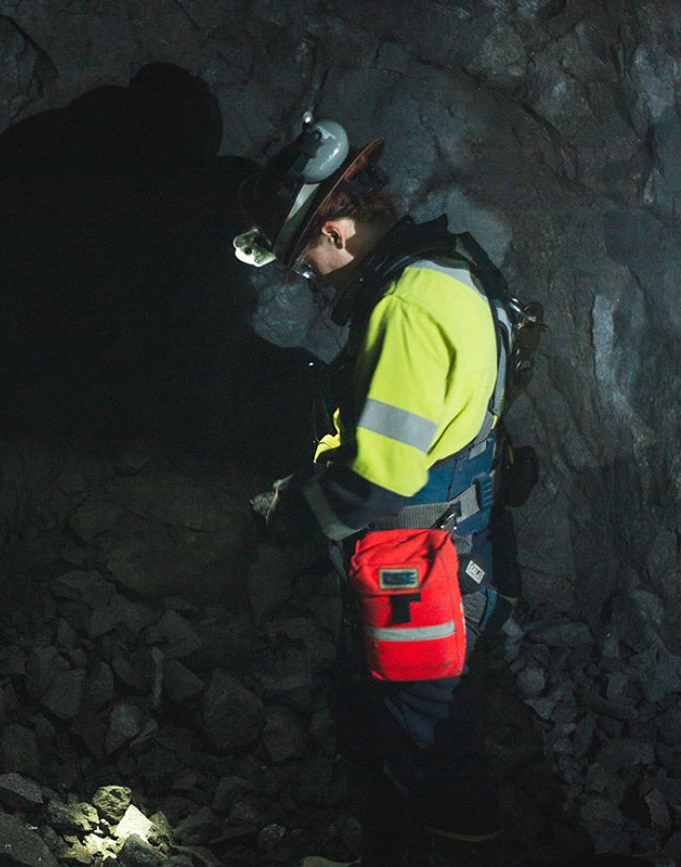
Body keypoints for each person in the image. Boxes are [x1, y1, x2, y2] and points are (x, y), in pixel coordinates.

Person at [235, 117, 528, 866]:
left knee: (432, 751)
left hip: (419, 566)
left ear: (334, 229)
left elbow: (378, 477)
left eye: (305, 263)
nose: (313, 279)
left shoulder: (406, 306)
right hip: (439, 552)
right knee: (377, 720)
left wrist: (291, 512)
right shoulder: (452, 264)